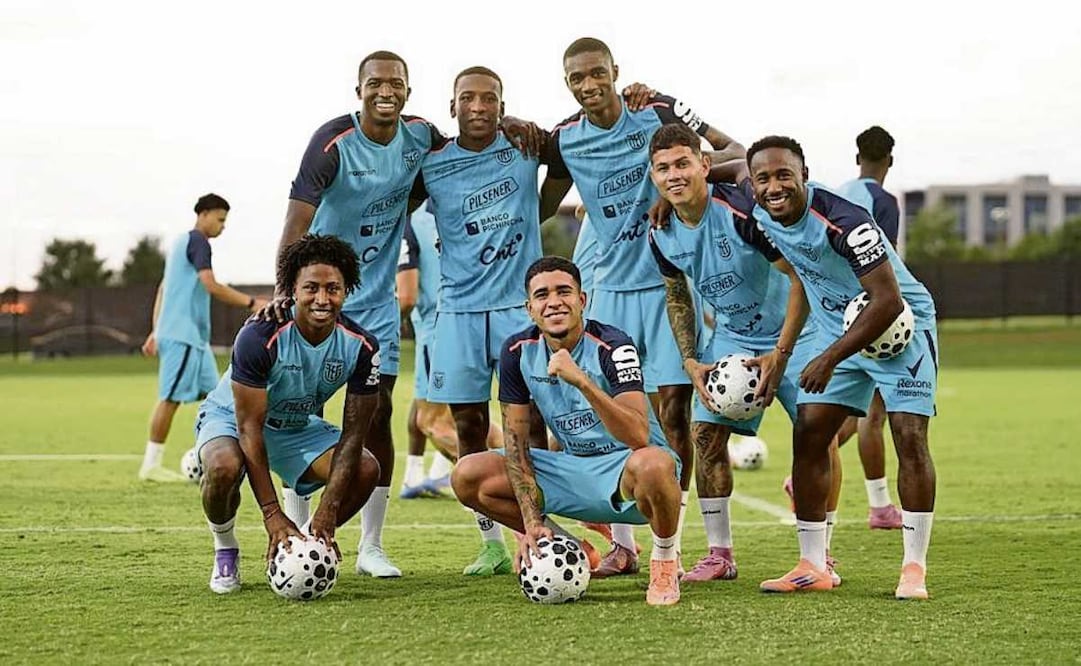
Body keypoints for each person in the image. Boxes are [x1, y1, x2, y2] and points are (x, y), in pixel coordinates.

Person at [272, 51, 540, 577]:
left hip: (374, 302)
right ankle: (299, 535)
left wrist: (510, 121)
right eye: (375, 83)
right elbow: (295, 221)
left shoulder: (420, 137)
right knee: (300, 410)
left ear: (409, 92)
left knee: (377, 413)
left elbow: (470, 137)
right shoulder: (331, 143)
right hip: (321, 297)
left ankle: (371, 546)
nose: (385, 91)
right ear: (359, 90)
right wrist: (287, 291)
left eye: (395, 83)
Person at [539, 36, 745, 576]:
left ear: (615, 70)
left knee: (675, 415)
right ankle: (625, 546)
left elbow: (736, 151)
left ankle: (697, 549)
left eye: (597, 73)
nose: (589, 85)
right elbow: (538, 202)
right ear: (566, 83)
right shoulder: (564, 139)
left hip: (665, 286)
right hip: (608, 291)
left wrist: (673, 188)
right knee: (607, 417)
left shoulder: (655, 109)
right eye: (577, 77)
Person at [748, 136, 938, 600]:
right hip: (838, 324)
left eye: (784, 175)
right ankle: (812, 565)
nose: (774, 186)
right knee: (810, 431)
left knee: (908, 436)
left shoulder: (847, 222)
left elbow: (887, 300)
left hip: (899, 326)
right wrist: (664, 196)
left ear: (804, 175)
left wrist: (828, 357)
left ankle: (913, 568)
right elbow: (720, 163)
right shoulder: (760, 209)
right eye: (763, 178)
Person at [451, 256, 685, 606]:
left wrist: (582, 381)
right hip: (572, 470)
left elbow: (638, 436)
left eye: (564, 291)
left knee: (654, 463)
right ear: (530, 309)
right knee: (468, 473)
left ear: (582, 300)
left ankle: (665, 561)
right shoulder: (516, 352)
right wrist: (531, 521)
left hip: (629, 473)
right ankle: (564, 546)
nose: (554, 302)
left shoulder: (614, 345)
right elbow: (515, 445)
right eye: (542, 295)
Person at [646, 124, 817, 582]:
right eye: (663, 168)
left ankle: (817, 556)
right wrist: (690, 360)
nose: (674, 175)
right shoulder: (660, 230)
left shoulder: (741, 210)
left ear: (704, 165)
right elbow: (677, 295)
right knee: (705, 436)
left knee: (813, 433)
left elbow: (799, 277)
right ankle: (720, 555)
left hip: (796, 331)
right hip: (732, 336)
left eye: (683, 164)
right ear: (653, 176)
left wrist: (781, 352)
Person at [194, 234, 382, 594]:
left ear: (347, 291)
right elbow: (249, 428)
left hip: (294, 426)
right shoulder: (259, 335)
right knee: (222, 467)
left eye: (333, 288)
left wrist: (328, 510)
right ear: (293, 290)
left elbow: (354, 435)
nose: (322, 299)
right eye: (311, 288)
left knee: (365, 468)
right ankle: (225, 548)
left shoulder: (362, 346)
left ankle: (302, 545)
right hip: (232, 419)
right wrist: (272, 513)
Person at [138, 193, 266, 482]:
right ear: (204, 214)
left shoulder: (179, 244)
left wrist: (156, 329)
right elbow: (210, 284)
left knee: (219, 398)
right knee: (170, 399)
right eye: (220, 219)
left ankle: (228, 455)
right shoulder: (198, 242)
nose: (223, 226)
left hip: (194, 340)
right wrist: (251, 303)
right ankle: (151, 465)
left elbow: (163, 289)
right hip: (182, 337)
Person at [397, 203, 503, 500]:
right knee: (466, 414)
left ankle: (504, 475)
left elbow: (407, 296)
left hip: (436, 328)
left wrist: (377, 329)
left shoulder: (410, 222)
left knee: (433, 421)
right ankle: (420, 475)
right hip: (470, 319)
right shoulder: (460, 210)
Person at [834, 125, 904, 529]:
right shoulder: (884, 202)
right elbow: (883, 263)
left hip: (834, 312)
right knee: (874, 415)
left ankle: (808, 471)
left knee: (848, 410)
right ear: (890, 160)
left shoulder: (837, 193)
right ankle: (880, 507)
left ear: (857, 157)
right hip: (869, 312)